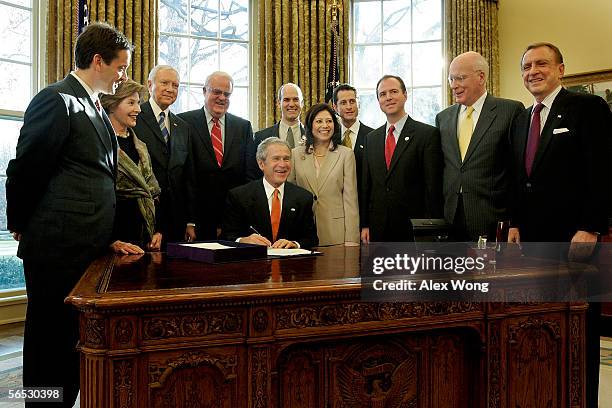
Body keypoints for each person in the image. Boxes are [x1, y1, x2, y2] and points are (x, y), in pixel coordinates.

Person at [5, 22, 134, 407]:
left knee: (69, 348)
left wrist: (105, 236)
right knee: (48, 347)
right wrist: (20, 224)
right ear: (98, 60)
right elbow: (26, 168)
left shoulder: (93, 105)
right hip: (56, 248)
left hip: (86, 249)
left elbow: (90, 178)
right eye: (120, 67)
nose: (122, 76)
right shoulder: (57, 100)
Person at [508, 42, 612, 408]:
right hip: (533, 243)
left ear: (560, 69)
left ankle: (581, 399)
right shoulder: (522, 117)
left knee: (578, 329)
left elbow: (603, 172)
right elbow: (521, 177)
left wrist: (592, 226)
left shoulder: (587, 108)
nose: (532, 71)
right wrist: (516, 223)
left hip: (576, 238)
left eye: (541, 64)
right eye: (526, 66)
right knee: (543, 326)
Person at [436, 51, 524, 241]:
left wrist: (515, 221)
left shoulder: (510, 111)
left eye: (460, 78)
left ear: (481, 76)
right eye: (451, 79)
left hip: (492, 217)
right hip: (451, 219)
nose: (454, 85)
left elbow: (518, 171)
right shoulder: (443, 118)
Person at [360, 75, 443, 243]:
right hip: (379, 230)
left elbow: (433, 187)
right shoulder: (371, 139)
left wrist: (431, 228)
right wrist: (365, 224)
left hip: (415, 230)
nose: (388, 97)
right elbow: (367, 187)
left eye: (393, 91)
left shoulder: (427, 135)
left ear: (405, 95)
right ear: (378, 100)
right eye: (383, 94)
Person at [179, 71, 253, 239]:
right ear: (205, 91)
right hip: (196, 222)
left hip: (234, 221)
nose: (222, 97)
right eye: (216, 92)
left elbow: (249, 177)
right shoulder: (184, 123)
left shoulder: (243, 127)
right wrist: (189, 220)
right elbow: (182, 177)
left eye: (227, 94)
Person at [132, 65, 196, 243]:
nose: (170, 89)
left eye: (175, 85)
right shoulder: (134, 117)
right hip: (142, 217)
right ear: (150, 84)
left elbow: (188, 177)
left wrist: (190, 221)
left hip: (176, 222)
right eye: (164, 83)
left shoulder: (183, 127)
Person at [221, 137, 318, 249]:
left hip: (289, 264)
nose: (282, 165)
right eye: (276, 159)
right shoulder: (239, 196)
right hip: (252, 263)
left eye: (286, 159)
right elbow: (227, 236)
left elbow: (311, 239)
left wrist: (294, 244)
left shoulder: (303, 197)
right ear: (261, 164)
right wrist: (243, 240)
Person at [100, 79, 163, 252]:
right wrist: (110, 242)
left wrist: (157, 230)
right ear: (112, 105)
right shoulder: (99, 144)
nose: (138, 109)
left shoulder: (141, 146)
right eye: (131, 103)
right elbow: (95, 200)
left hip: (143, 240)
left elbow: (153, 193)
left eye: (138, 103)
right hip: (110, 242)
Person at [288, 103, 359, 246]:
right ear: (310, 124)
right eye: (319, 121)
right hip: (302, 234)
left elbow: (351, 200)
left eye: (329, 121)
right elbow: (290, 196)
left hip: (336, 234)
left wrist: (352, 240)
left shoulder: (346, 154)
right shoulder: (295, 154)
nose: (325, 125)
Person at [247, 83, 306, 180]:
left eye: (296, 99)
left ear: (302, 103)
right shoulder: (260, 137)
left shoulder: (313, 137)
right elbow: (253, 173)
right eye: (286, 100)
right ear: (278, 103)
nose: (291, 104)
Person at [331, 83, 374, 202]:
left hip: (364, 201)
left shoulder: (373, 137)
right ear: (335, 107)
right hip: (335, 202)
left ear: (358, 104)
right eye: (343, 103)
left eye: (352, 101)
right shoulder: (329, 136)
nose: (349, 106)